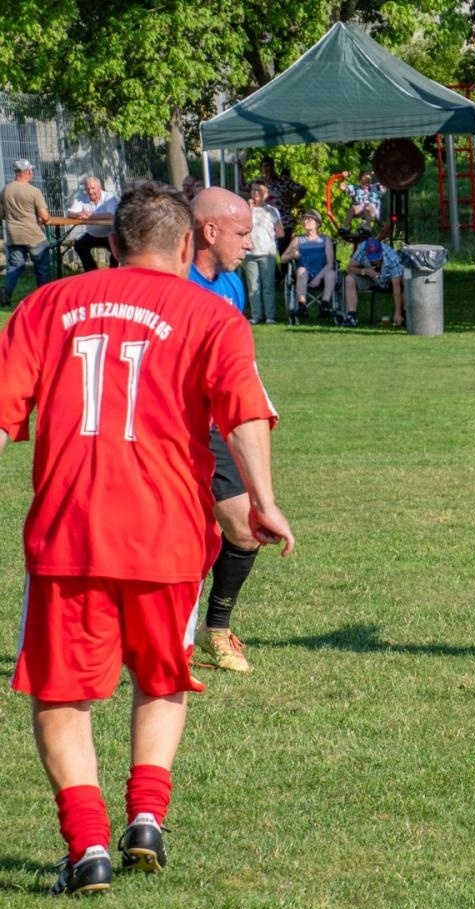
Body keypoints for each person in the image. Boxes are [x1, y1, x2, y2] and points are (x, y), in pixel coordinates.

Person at [0, 181, 293, 895]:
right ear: (188, 243)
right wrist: (265, 500)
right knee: (163, 676)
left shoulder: (46, 305)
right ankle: (147, 821)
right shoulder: (211, 313)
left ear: (112, 241)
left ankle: (88, 845)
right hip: (168, 533)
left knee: (62, 696)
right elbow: (244, 410)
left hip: (72, 531)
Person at [188, 187, 275, 674]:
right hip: (172, 424)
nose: (250, 243)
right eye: (242, 233)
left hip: (219, 421)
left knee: (244, 528)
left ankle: (215, 627)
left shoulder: (232, 284)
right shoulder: (172, 281)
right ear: (210, 230)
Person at [2, 159, 52, 307]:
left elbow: (0, 214)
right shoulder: (34, 191)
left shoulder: (5, 190)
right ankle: (44, 297)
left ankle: (6, 292)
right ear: (28, 172)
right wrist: (42, 221)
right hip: (33, 235)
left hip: (13, 235)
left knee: (15, 266)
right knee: (42, 267)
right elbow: (45, 217)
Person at [241, 181, 283, 325]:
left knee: (267, 285)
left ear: (266, 194)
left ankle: (270, 315)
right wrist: (248, 209)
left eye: (259, 191)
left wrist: (269, 237)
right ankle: (256, 315)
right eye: (253, 190)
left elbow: (280, 232)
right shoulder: (246, 210)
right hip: (250, 253)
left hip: (266, 253)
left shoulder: (272, 211)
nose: (255, 193)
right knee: (253, 286)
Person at [340, 235, 405, 328]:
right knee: (349, 279)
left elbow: (396, 286)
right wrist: (365, 271)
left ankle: (403, 315)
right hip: (368, 277)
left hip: (388, 279)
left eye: (377, 258)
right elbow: (349, 269)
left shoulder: (392, 258)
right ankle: (351, 316)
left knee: (406, 281)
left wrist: (397, 312)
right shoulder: (362, 249)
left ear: (381, 252)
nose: (374, 261)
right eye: (372, 258)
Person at [280, 208, 336, 314]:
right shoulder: (298, 239)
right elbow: (282, 258)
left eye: (309, 220)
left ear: (317, 223)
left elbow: (330, 263)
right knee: (301, 270)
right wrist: (293, 255)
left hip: (322, 273)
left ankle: (325, 304)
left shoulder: (325, 239)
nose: (305, 222)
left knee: (332, 274)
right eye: (304, 219)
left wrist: (318, 278)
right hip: (304, 273)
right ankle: (302, 305)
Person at [66, 175, 119, 272]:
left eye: (93, 188)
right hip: (92, 235)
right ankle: (92, 272)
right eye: (87, 189)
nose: (90, 192)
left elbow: (112, 214)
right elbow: (69, 213)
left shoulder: (109, 197)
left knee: (118, 248)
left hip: (109, 235)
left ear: (100, 187)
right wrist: (78, 214)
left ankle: (113, 273)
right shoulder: (81, 197)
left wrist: (91, 216)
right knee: (79, 245)